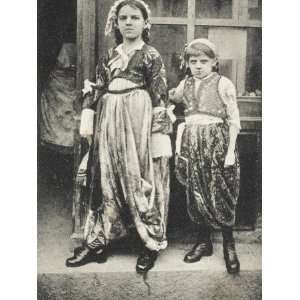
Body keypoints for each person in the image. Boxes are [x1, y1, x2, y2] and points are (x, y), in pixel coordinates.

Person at [66, 0, 173, 273]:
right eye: (123, 17)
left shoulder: (151, 55)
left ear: (144, 23)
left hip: (138, 123)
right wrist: (89, 112)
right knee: (106, 179)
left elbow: (160, 95)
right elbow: (99, 87)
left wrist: (158, 136)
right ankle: (97, 243)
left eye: (134, 17)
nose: (128, 22)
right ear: (116, 22)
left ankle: (149, 243)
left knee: (139, 179)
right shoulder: (110, 55)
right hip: (109, 122)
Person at [169, 38, 241, 274]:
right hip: (192, 142)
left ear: (214, 62)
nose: (198, 65)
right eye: (193, 61)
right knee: (195, 192)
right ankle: (203, 242)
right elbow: (173, 98)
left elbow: (234, 120)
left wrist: (229, 151)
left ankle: (229, 245)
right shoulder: (185, 84)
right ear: (187, 63)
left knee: (221, 192)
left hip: (217, 142)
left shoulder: (223, 84)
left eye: (204, 61)